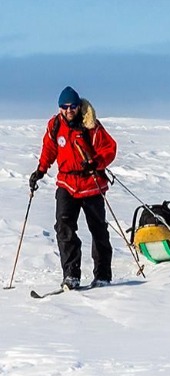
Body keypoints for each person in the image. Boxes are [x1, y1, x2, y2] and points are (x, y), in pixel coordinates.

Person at [28, 86, 117, 290]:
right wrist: (40, 171)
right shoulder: (55, 126)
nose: (69, 110)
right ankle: (71, 275)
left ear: (78, 106)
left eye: (73, 106)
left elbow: (109, 149)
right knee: (64, 228)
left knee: (98, 230)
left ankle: (102, 275)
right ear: (60, 108)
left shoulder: (90, 126)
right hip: (67, 184)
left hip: (91, 185)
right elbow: (49, 150)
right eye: (65, 107)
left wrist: (96, 162)